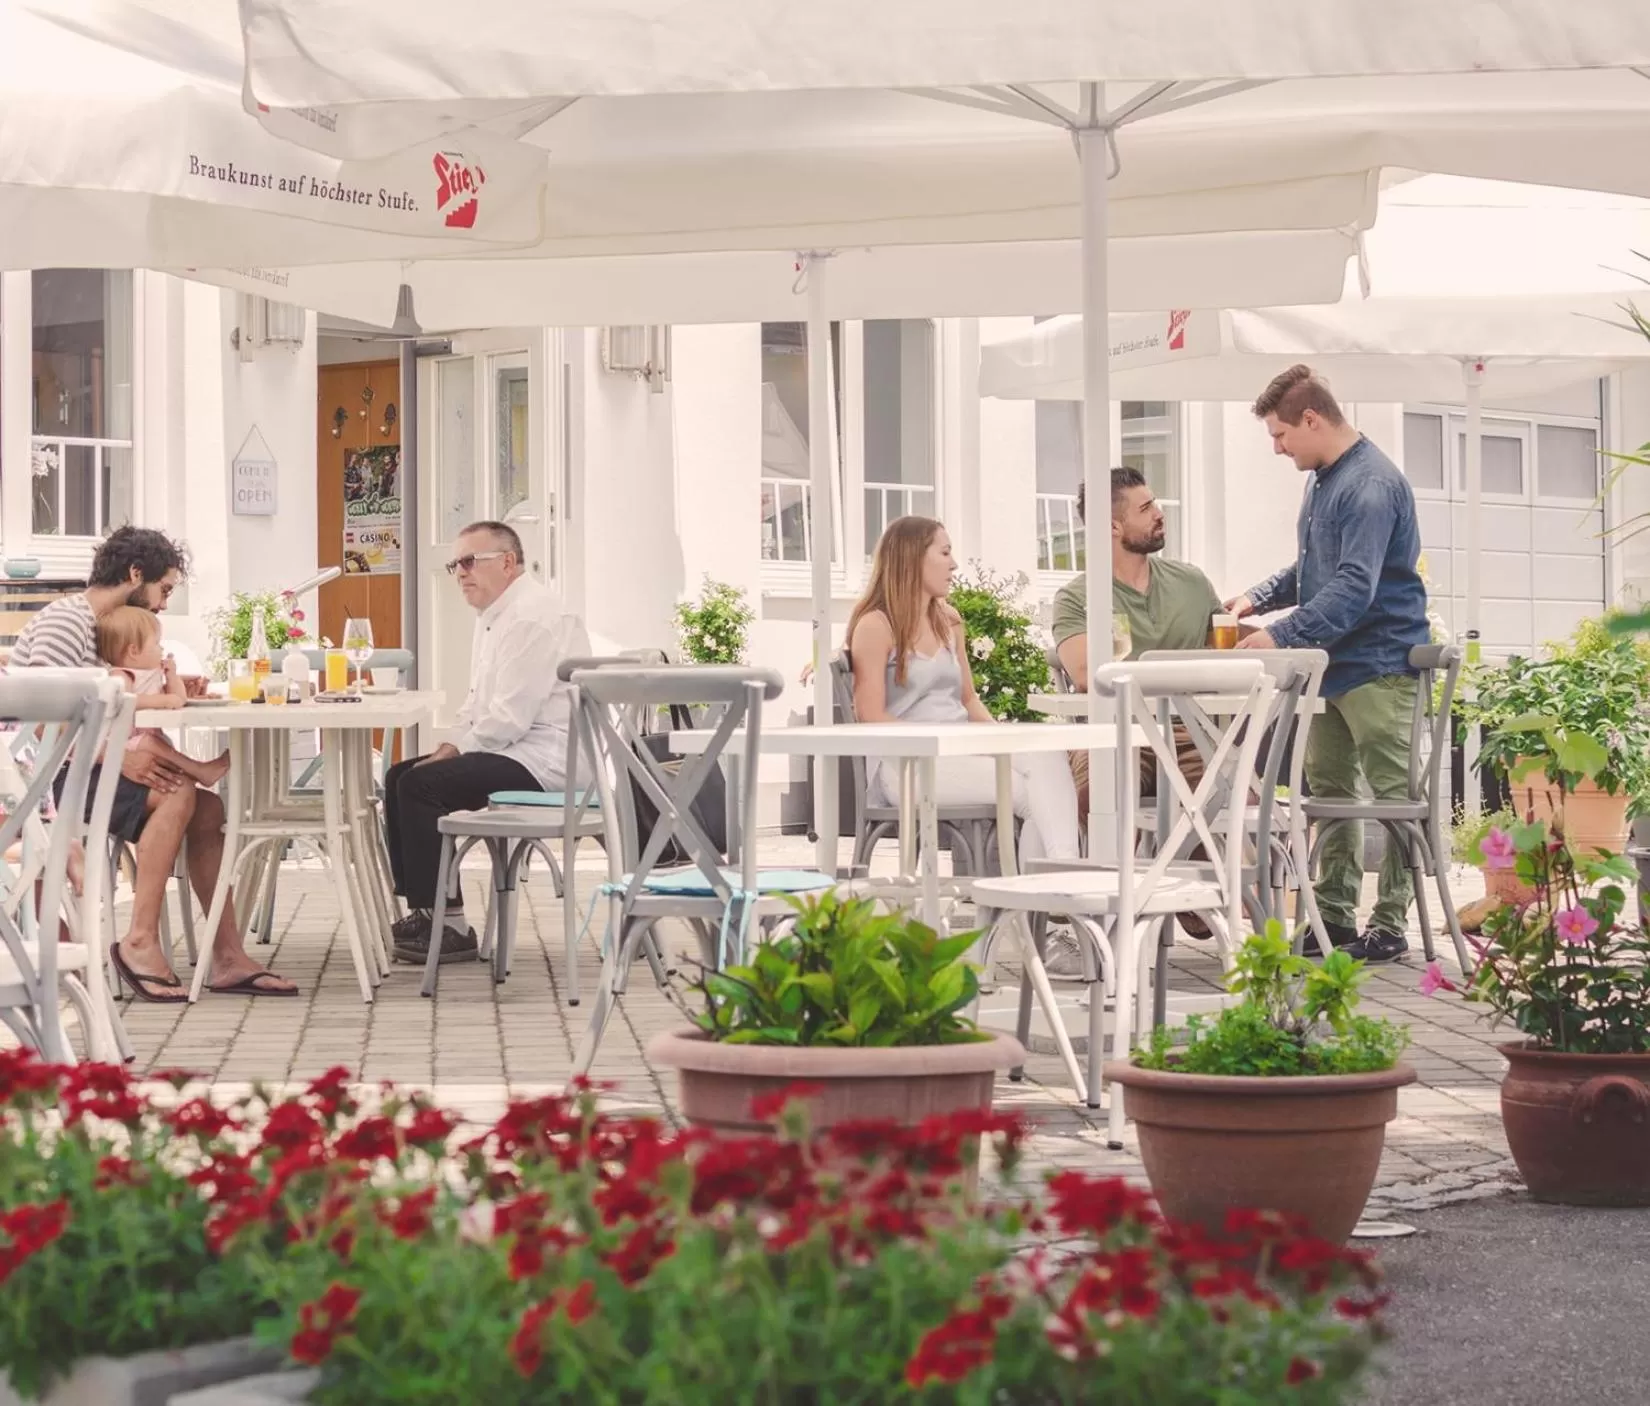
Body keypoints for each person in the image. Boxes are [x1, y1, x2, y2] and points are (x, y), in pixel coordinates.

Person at [8, 526, 296, 1000]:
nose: (163, 603)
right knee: (179, 793)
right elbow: (41, 718)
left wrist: (171, 682)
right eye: (163, 589)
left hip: (85, 769)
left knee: (208, 811)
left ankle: (226, 957)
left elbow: (105, 688)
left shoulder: (102, 626)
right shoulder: (67, 621)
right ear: (135, 573)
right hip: (51, 780)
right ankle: (140, 941)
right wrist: (116, 756)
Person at [1227, 364, 1431, 963]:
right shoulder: (1322, 479)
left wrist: (1279, 634)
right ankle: (1335, 918)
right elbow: (1311, 568)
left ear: (1311, 420)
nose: (1276, 446)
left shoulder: (1368, 485)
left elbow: (1352, 587)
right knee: (1331, 794)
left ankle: (1391, 926)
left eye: (1280, 434)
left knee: (1394, 799)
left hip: (1381, 662)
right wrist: (1257, 599)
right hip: (1331, 664)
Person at [386, 521, 591, 966]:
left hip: (547, 761)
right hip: (515, 749)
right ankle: (426, 911)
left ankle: (447, 924)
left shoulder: (534, 617)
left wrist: (454, 749)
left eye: (469, 561)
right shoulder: (495, 616)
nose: (459, 572)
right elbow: (478, 705)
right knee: (401, 774)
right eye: (454, 564)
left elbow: (509, 720)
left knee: (421, 785)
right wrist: (452, 742)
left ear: (508, 562)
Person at [845, 515, 1080, 872]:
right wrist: (942, 740)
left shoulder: (948, 620)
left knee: (1045, 755)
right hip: (907, 766)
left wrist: (1003, 739)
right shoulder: (876, 626)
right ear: (912, 559)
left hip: (961, 748)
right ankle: (1053, 893)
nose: (954, 564)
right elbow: (870, 715)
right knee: (1034, 796)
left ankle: (1057, 883)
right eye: (945, 553)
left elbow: (968, 699)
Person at [95, 606, 230, 791]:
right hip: (124, 746)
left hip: (151, 740)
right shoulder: (120, 676)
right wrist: (162, 700)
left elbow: (178, 699)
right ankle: (200, 771)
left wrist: (172, 676)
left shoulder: (151, 674)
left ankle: (195, 775)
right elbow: (122, 701)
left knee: (163, 746)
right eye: (157, 643)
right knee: (151, 743)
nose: (162, 648)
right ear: (134, 651)